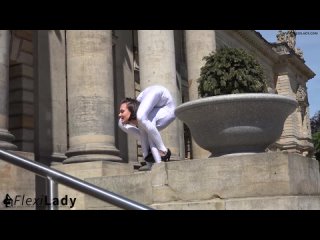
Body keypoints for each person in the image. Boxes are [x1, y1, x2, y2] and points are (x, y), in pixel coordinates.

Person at [118, 85, 176, 171]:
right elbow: (144, 136)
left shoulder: (142, 115)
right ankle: (153, 160)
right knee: (121, 123)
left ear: (131, 110)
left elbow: (148, 134)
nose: (119, 114)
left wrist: (161, 151)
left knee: (142, 119)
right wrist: (147, 160)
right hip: (152, 101)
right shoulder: (142, 116)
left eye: (122, 111)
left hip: (167, 106)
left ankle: (163, 151)